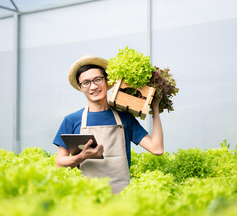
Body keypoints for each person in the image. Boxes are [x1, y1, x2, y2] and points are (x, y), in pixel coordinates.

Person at [53, 55, 164, 194]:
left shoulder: (125, 118)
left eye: (98, 79)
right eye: (86, 83)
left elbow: (157, 149)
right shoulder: (72, 120)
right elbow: (59, 164)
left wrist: (155, 109)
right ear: (80, 87)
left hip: (121, 198)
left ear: (107, 81)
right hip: (88, 198)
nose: (93, 86)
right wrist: (82, 156)